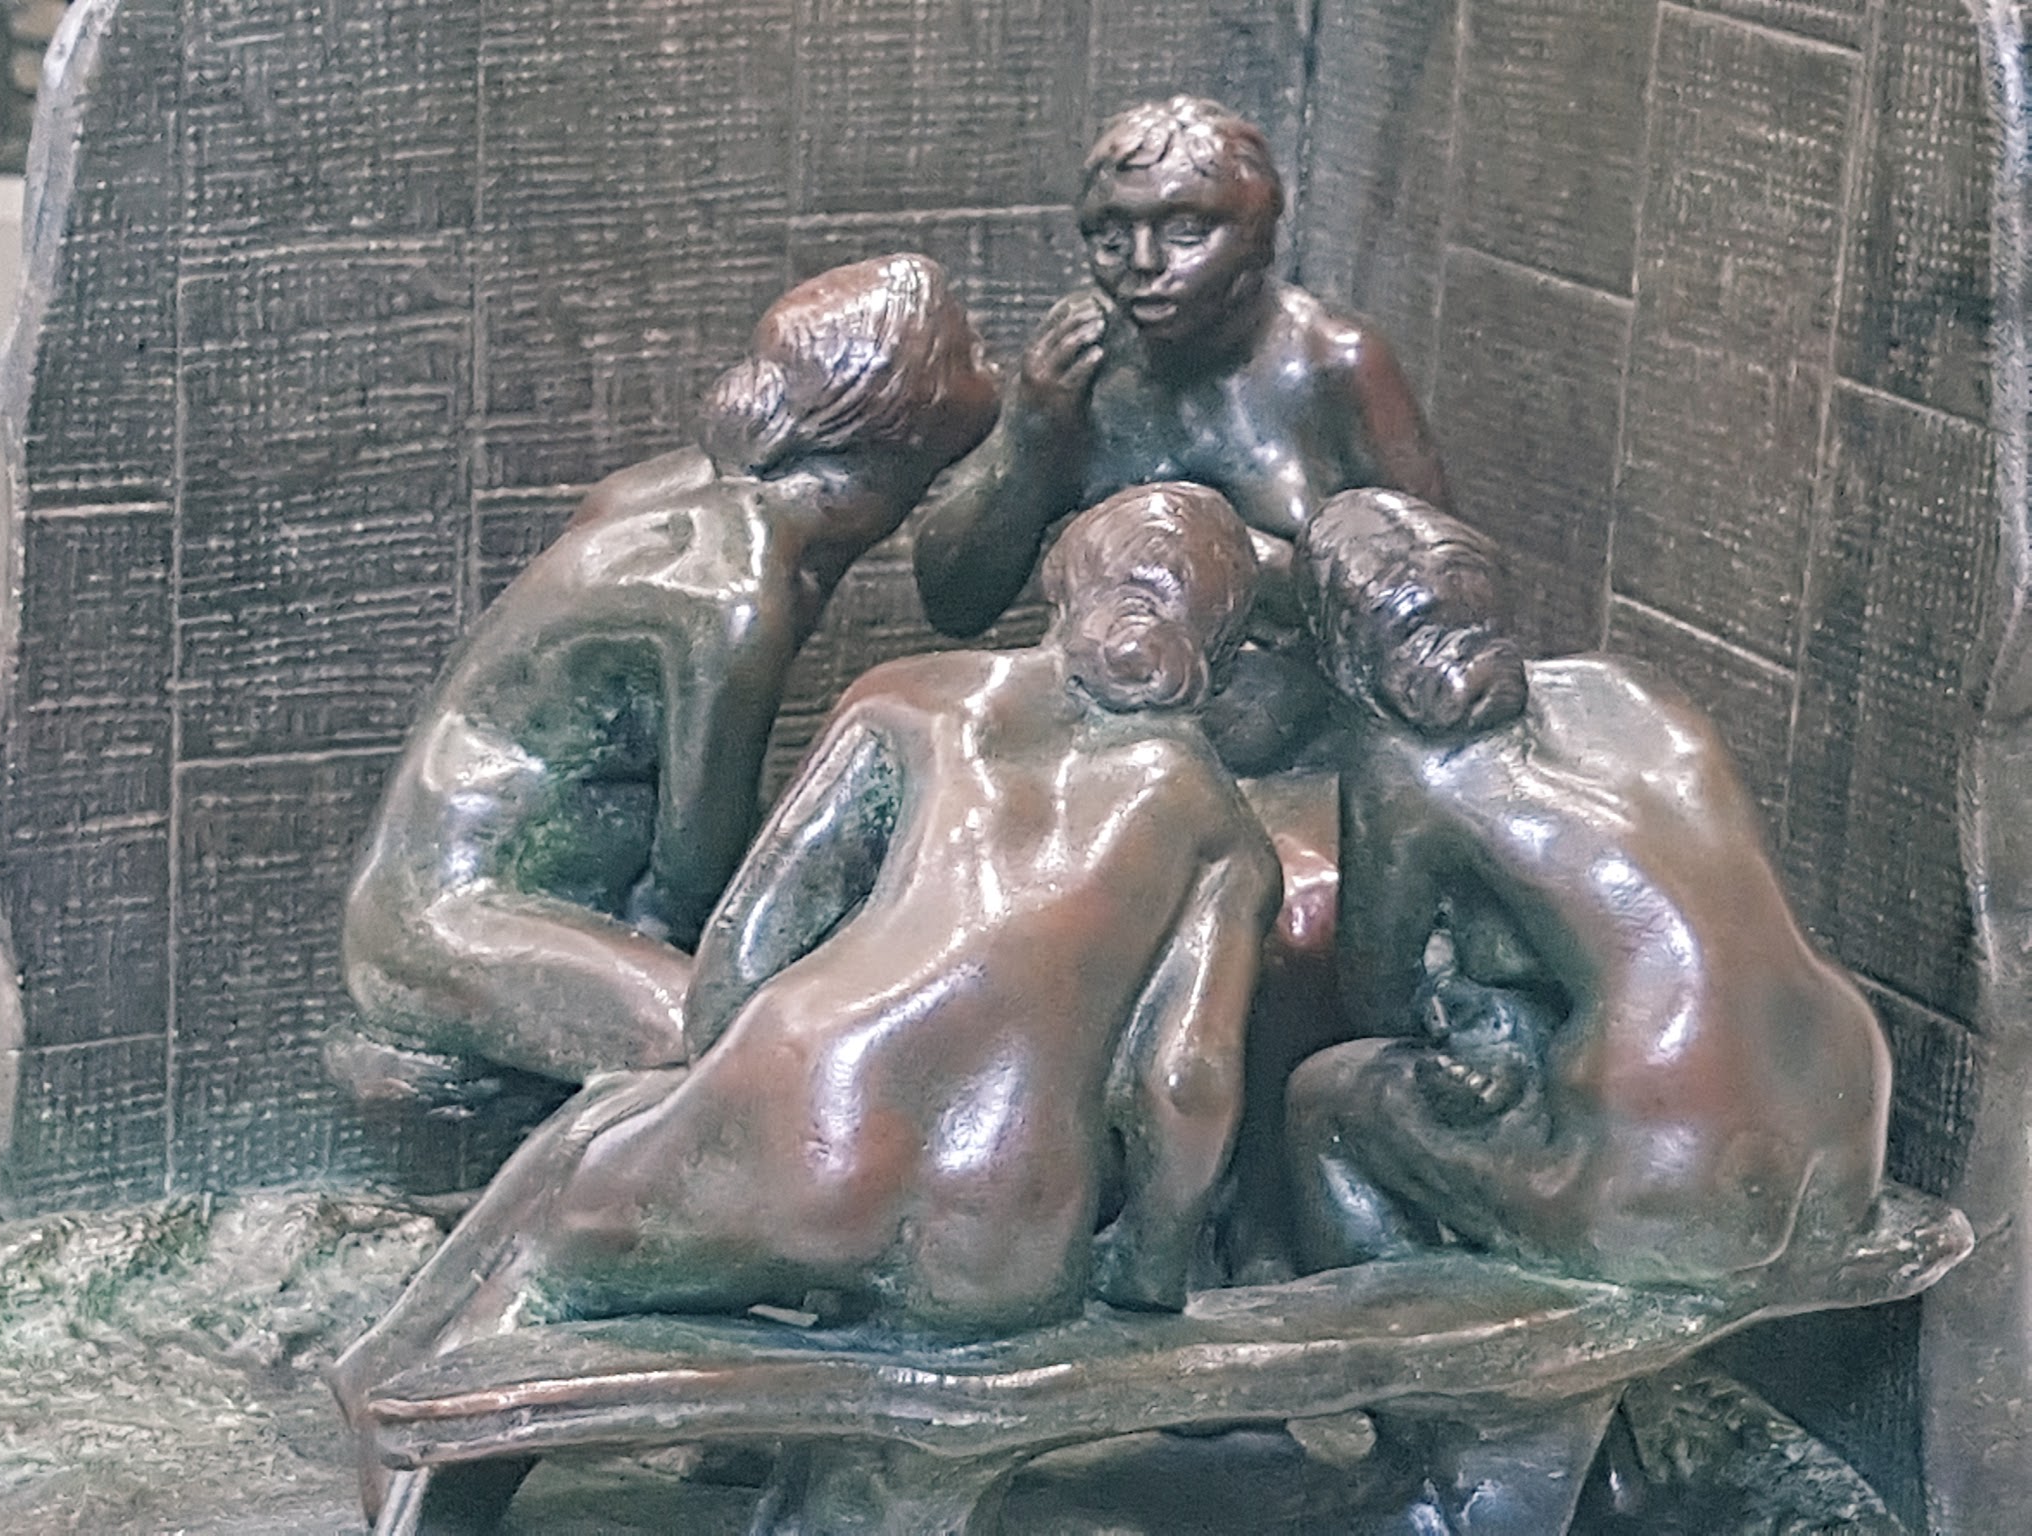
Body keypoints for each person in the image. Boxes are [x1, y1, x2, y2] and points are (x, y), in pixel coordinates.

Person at [330, 482, 1281, 1517]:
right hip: (1008, 1224)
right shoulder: (1224, 835)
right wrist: (1149, 1264)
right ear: (1222, 649)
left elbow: (752, 935)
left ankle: (416, 1473)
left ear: (1063, 578)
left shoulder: (918, 702)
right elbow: (1186, 1080)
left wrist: (712, 1081)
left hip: (812, 1113)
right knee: (907, 1424)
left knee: (544, 1256)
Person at [332, 254, 999, 1109]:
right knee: (774, 1054)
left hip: (491, 898)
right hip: (451, 924)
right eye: (965, 346)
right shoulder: (732, 599)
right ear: (901, 415)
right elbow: (693, 878)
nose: (989, 353)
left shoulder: (680, 492)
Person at [1283, 489, 1891, 1287]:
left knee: (1325, 1101)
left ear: (1342, 652)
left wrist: (1472, 1016)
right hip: (1845, 1106)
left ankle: (1414, 1360)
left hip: (1672, 1158)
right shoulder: (1627, 685)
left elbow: (1379, 1001)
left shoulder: (1407, 766)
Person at [910, 96, 1466, 771]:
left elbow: (1441, 612)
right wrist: (1032, 443)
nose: (1143, 263)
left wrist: (1231, 563)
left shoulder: (1335, 364)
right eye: (1112, 236)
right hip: (1108, 718)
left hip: (1296, 741)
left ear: (1257, 234)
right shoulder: (1081, 360)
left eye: (1185, 231)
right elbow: (953, 600)